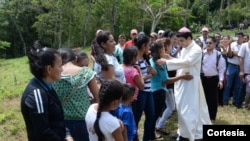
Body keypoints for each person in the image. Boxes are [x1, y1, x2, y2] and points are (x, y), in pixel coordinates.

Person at [156, 27, 211, 141]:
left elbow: (187, 62)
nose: (180, 43)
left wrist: (167, 61)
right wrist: (169, 57)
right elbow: (180, 62)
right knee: (182, 109)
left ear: (189, 38)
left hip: (190, 83)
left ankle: (191, 133)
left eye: (182, 40)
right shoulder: (185, 48)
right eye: (179, 40)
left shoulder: (196, 49)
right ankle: (184, 132)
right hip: (182, 83)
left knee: (189, 109)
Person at [21, 40, 73, 141]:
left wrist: (67, 134)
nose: (62, 69)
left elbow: (57, 120)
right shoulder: (36, 95)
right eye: (60, 65)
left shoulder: (47, 86)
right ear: (49, 69)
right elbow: (43, 133)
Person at [52, 48, 99, 141]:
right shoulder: (86, 72)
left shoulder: (54, 74)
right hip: (84, 119)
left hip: (62, 120)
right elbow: (98, 97)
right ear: (75, 58)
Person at [149, 40, 193, 136]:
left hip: (153, 90)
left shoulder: (152, 59)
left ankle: (151, 133)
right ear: (160, 50)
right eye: (163, 48)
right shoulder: (159, 64)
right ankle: (151, 134)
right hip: (159, 91)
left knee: (153, 115)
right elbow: (166, 80)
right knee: (155, 115)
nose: (165, 50)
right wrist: (183, 77)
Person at [133, 35, 157, 141]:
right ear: (143, 46)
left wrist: (153, 72)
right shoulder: (135, 60)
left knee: (151, 116)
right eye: (148, 44)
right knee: (136, 118)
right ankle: (134, 138)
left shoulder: (145, 58)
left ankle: (146, 138)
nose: (150, 46)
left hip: (148, 91)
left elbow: (151, 72)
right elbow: (137, 78)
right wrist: (150, 75)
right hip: (140, 92)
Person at [201, 36, 225, 121]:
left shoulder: (218, 55)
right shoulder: (202, 53)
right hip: (203, 79)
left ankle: (212, 117)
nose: (208, 44)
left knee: (213, 99)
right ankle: (203, 117)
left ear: (215, 44)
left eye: (210, 43)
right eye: (207, 43)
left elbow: (221, 69)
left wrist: (221, 80)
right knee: (203, 99)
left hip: (213, 79)